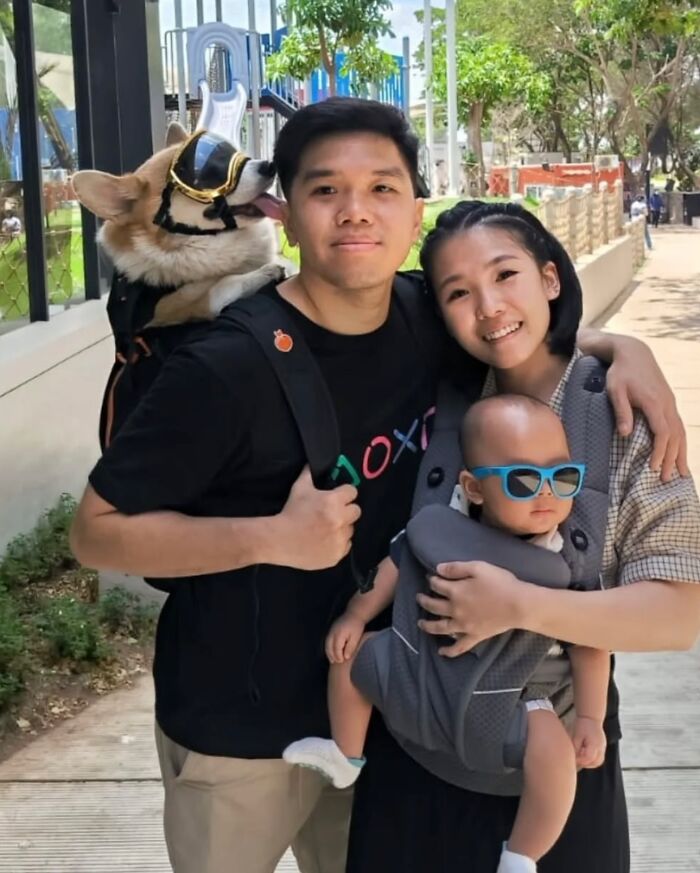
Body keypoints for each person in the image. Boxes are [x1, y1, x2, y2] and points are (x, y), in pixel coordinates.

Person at [69, 99, 686, 873]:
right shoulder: (220, 367)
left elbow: (509, 322)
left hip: (392, 721)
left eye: (383, 189)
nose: (356, 211)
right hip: (240, 726)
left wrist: (622, 349)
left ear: (414, 209)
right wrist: (272, 536)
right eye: (326, 190)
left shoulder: (427, 316)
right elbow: (95, 530)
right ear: (284, 214)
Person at [346, 199, 700, 873]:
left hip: (557, 751)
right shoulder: (434, 393)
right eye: (457, 291)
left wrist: (519, 605)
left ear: (550, 278)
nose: (487, 306)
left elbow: (678, 614)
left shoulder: (626, 419)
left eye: (506, 275)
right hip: (416, 746)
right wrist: (617, 338)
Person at [285, 394, 610, 873]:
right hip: (422, 668)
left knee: (554, 753)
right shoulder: (441, 526)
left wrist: (590, 718)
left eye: (562, 478)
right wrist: (355, 617)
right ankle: (345, 754)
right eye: (522, 480)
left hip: (514, 694)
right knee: (350, 659)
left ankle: (523, 853)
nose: (546, 493)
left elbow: (591, 643)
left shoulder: (567, 557)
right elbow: (392, 569)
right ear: (473, 489)